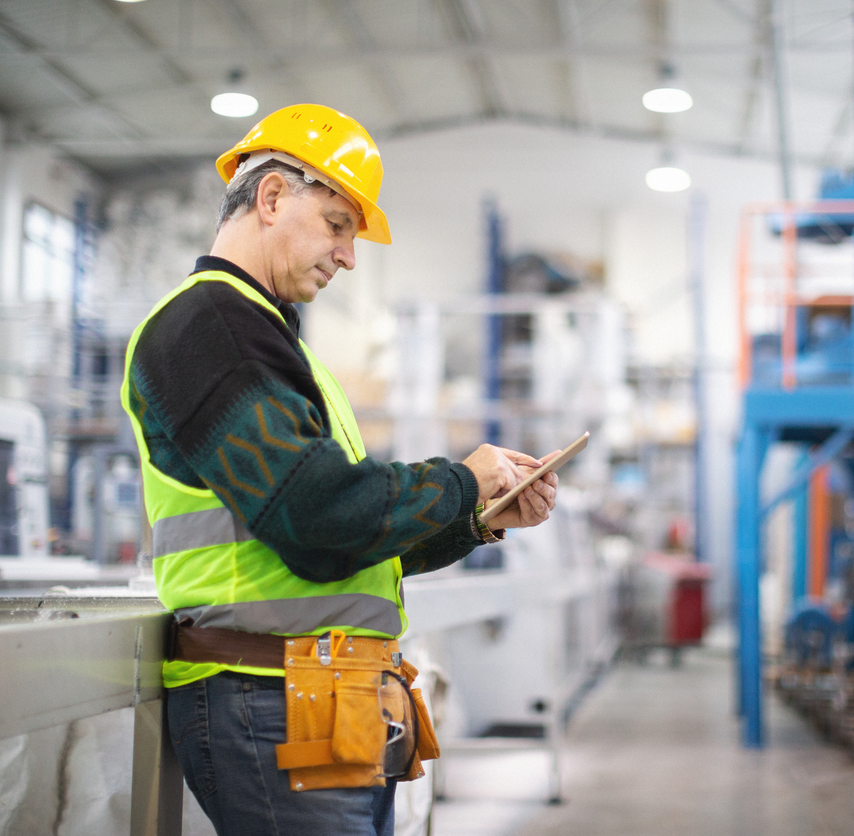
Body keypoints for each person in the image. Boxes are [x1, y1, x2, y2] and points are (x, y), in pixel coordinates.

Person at [119, 104, 560, 836]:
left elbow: (347, 542)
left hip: (314, 696)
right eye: (337, 224)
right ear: (270, 198)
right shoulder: (211, 326)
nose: (349, 256)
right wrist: (460, 481)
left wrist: (476, 515)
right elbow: (315, 518)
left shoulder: (267, 343)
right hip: (269, 696)